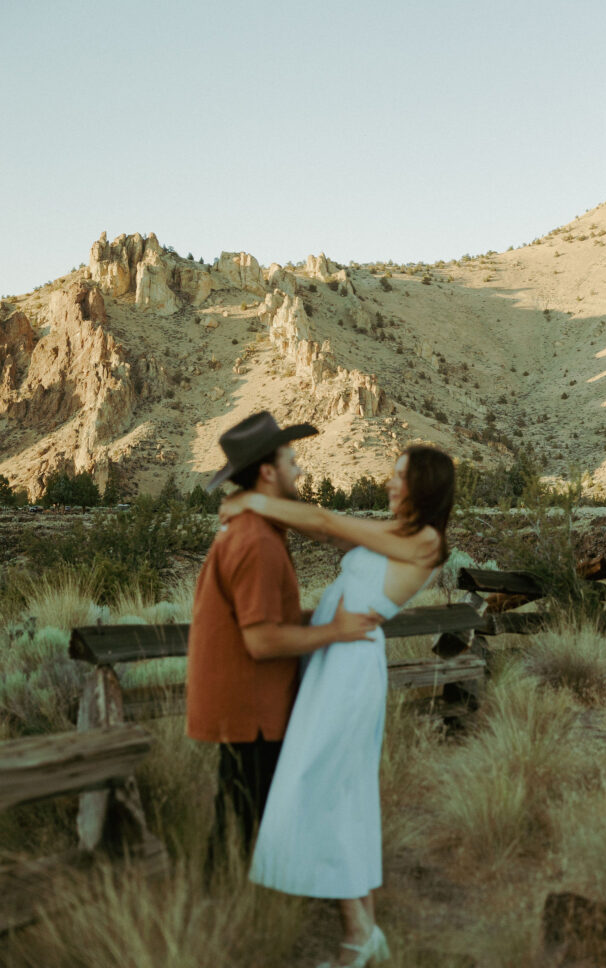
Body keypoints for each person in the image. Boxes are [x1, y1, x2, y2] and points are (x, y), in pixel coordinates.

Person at [219, 444, 455, 968]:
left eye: (399, 476)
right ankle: (364, 934)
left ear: (423, 487)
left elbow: (327, 520)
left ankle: (356, 935)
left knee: (322, 786)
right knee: (341, 790)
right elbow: (325, 530)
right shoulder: (400, 532)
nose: (389, 483)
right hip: (334, 664)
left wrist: (252, 504)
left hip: (348, 669)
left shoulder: (425, 539)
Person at [186, 411, 380, 878]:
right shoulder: (256, 542)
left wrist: (322, 620)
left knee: (239, 815)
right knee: (243, 820)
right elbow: (262, 639)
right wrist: (337, 631)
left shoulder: (260, 530)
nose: (300, 469)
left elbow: (269, 621)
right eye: (292, 460)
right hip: (251, 708)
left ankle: (232, 909)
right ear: (269, 472)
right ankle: (231, 918)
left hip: (249, 705)